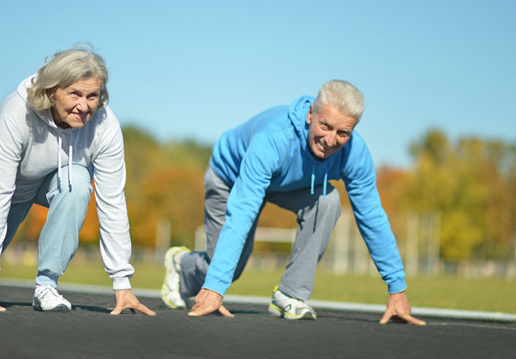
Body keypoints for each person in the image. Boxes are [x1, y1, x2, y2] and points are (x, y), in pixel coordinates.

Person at [162, 80, 424, 324]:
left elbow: (372, 217)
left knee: (328, 200)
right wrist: (216, 286)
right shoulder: (274, 139)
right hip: (230, 177)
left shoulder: (355, 154)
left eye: (343, 132)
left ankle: (290, 295)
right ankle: (182, 263)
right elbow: (242, 211)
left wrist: (397, 287)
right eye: (325, 126)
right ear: (311, 114)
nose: (331, 141)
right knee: (230, 266)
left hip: (285, 184)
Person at [0, 46, 154, 315]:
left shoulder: (105, 126)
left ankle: (46, 286)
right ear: (53, 90)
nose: (83, 106)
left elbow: (112, 203)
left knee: (78, 180)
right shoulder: (17, 112)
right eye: (74, 93)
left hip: (49, 181)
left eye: (92, 96)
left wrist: (122, 282)